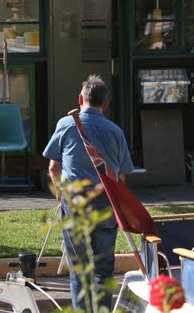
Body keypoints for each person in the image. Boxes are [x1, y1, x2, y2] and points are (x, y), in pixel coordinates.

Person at [42, 75, 134, 312]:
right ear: (106, 103)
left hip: (75, 202)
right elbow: (121, 178)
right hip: (106, 200)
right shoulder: (116, 131)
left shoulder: (66, 124)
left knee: (79, 268)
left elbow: (53, 167)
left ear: (80, 99)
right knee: (104, 268)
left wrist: (60, 195)